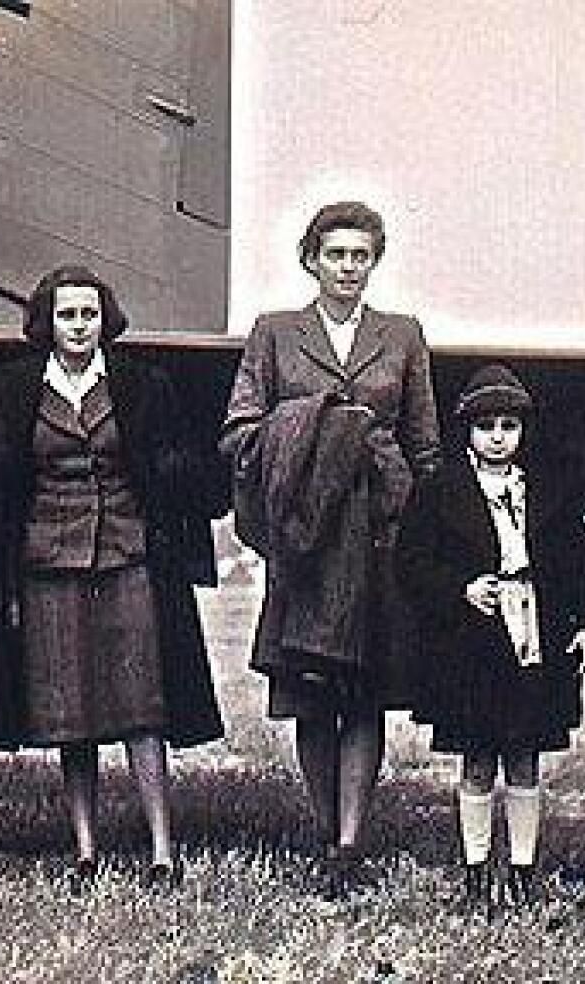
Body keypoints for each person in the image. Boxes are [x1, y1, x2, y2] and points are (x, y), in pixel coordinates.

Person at [220, 201, 441, 897]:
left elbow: (426, 443)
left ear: (375, 262)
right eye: (336, 254)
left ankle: (351, 842)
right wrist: (312, 429)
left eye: (361, 255)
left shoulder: (402, 336)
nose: (348, 267)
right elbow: (239, 431)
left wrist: (416, 513)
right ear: (311, 258)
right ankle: (322, 830)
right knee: (311, 693)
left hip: (380, 531)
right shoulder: (275, 333)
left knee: (366, 693)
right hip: (306, 541)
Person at [0, 265, 225, 889]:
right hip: (48, 565)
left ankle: (162, 850)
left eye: (89, 314)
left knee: (142, 707)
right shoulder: (12, 388)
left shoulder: (143, 385)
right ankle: (84, 849)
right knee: (72, 712)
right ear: (46, 322)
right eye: (67, 315)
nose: (79, 326)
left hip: (129, 557)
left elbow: (176, 467)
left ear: (106, 320)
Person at [398, 364, 585, 913]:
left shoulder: (548, 491)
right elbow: (411, 564)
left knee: (524, 755)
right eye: (486, 425)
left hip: (535, 640)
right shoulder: (440, 490)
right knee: (475, 759)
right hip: (469, 648)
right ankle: (474, 872)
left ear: (524, 431)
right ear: (466, 431)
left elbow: (580, 563)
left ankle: (521, 870)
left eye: (509, 425)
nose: (498, 437)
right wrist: (460, 588)